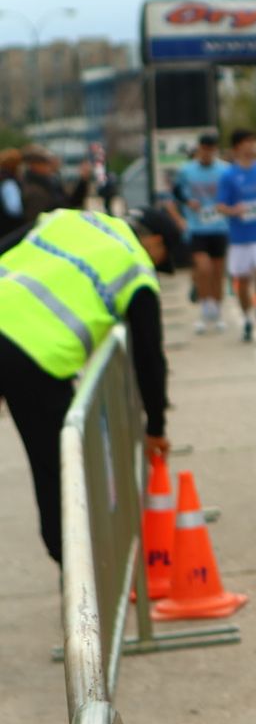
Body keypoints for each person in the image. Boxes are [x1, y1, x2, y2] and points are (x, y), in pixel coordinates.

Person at [0, 205, 181, 565]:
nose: (159, 268)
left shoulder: (69, 217)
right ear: (156, 243)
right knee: (59, 467)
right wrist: (156, 427)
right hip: (35, 357)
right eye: (163, 260)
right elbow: (150, 359)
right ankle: (74, 565)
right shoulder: (137, 267)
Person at [216, 129, 256, 342]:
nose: (251, 146)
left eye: (253, 141)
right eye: (246, 142)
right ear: (236, 148)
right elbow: (220, 206)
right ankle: (246, 318)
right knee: (242, 282)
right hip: (240, 237)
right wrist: (235, 210)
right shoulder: (228, 175)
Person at [170, 132, 230, 334]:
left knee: (217, 272)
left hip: (219, 226)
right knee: (203, 269)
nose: (208, 153)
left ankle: (218, 310)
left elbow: (231, 192)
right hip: (197, 227)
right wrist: (188, 202)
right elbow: (176, 192)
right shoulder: (187, 170)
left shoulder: (224, 170)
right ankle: (205, 308)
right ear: (199, 149)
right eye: (204, 149)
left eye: (211, 149)